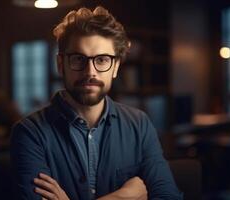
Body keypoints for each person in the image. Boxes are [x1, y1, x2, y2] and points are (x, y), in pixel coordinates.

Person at [10, 6, 182, 200]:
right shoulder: (29, 132)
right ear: (60, 65)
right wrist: (123, 197)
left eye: (102, 60)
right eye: (78, 59)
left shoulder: (139, 124)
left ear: (115, 67)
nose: (90, 72)